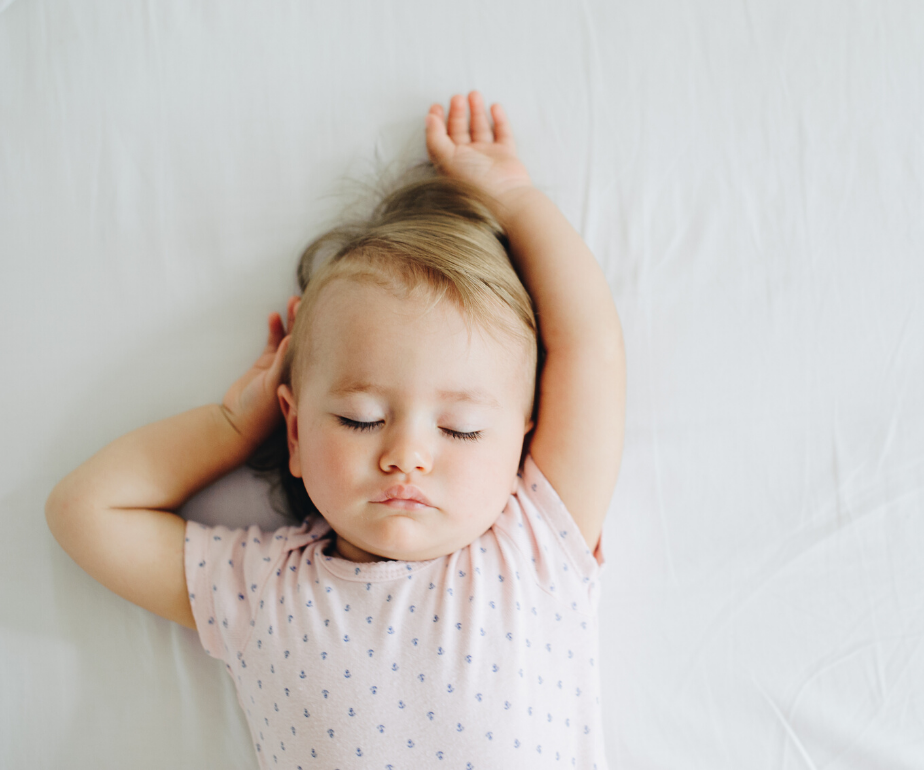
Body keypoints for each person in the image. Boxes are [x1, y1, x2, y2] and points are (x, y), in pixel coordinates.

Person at [45, 91, 626, 768]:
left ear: (522, 441)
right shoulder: (262, 594)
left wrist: (513, 198)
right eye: (361, 419)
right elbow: (83, 510)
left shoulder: (534, 550)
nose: (406, 454)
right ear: (294, 433)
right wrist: (233, 424)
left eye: (462, 428)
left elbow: (589, 347)